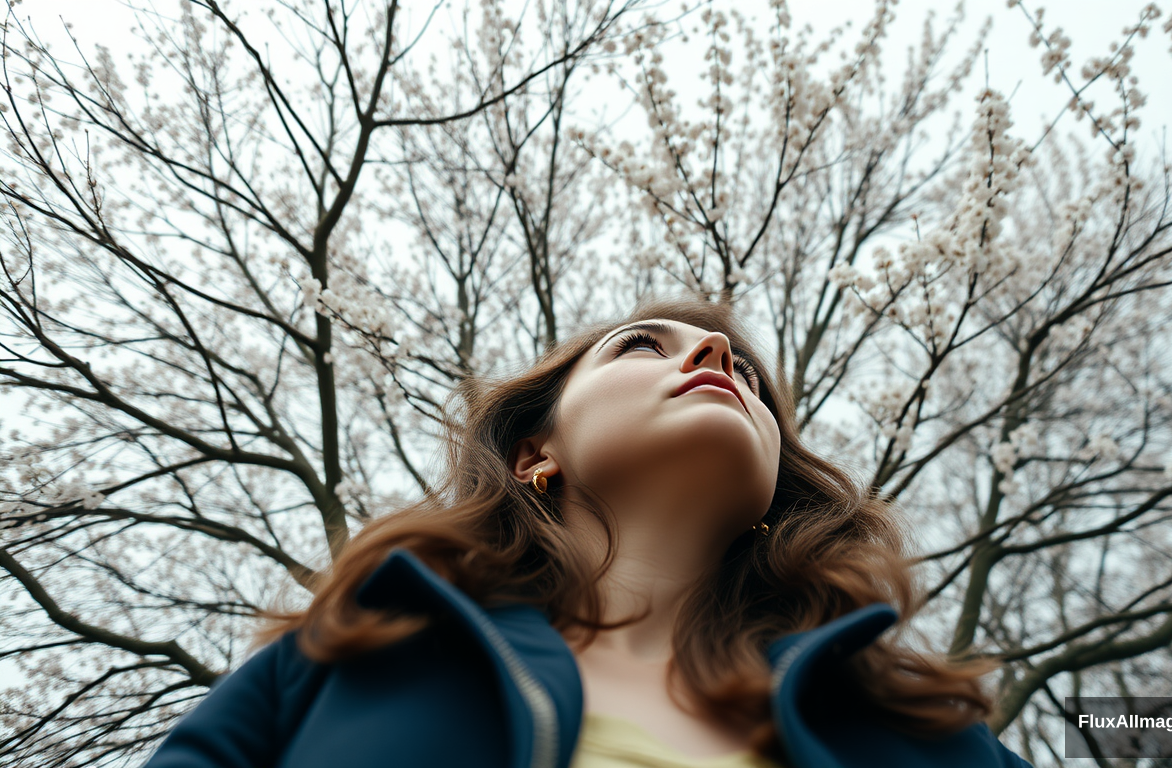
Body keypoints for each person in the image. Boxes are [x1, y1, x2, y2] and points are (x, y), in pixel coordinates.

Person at [141, 295, 1034, 768]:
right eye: (642, 345)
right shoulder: (345, 656)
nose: (718, 359)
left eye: (752, 380)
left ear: (775, 490)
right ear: (537, 451)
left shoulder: (924, 727)